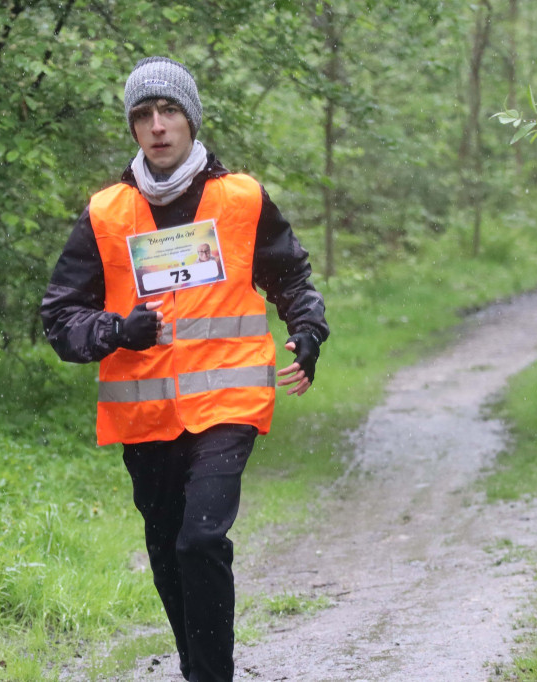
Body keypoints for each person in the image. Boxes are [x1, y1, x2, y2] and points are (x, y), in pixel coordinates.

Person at [39, 56, 329, 682]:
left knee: (200, 540)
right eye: (143, 115)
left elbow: (291, 278)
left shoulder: (241, 200)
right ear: (133, 129)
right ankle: (197, 665)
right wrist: (117, 329)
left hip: (229, 403)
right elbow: (61, 318)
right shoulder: (106, 213)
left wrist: (308, 330)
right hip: (144, 416)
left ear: (191, 119)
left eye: (168, 110)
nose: (157, 126)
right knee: (169, 552)